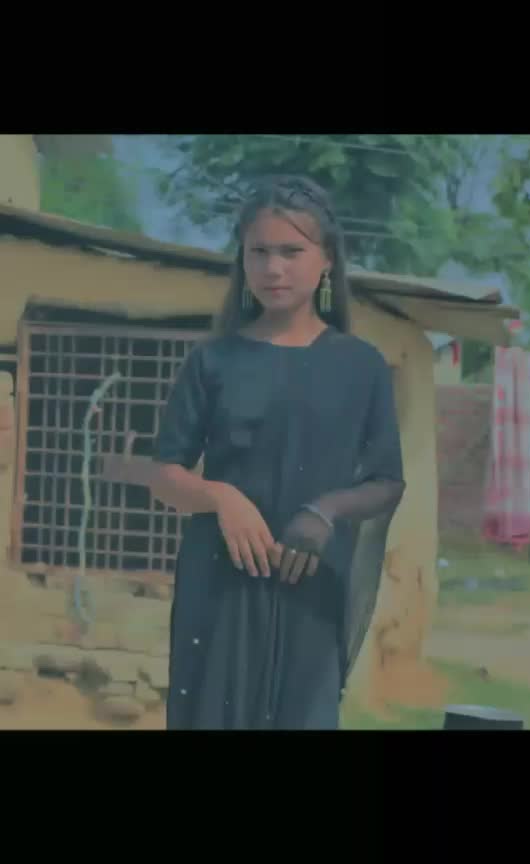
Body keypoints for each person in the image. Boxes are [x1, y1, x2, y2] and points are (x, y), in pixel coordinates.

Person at [102, 175, 405, 730]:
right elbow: (166, 474)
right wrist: (220, 497)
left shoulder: (361, 366)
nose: (273, 268)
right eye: (258, 252)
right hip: (219, 588)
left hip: (311, 587)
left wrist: (324, 512)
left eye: (291, 252)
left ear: (327, 260)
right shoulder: (213, 361)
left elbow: (387, 481)